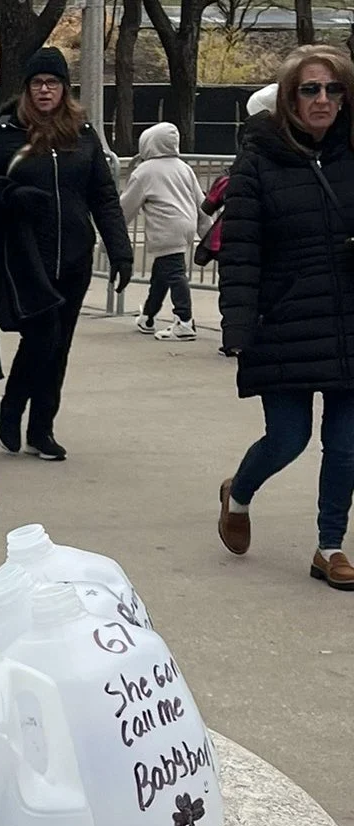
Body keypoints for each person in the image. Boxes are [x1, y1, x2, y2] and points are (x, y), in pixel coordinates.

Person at [218, 45, 354, 589]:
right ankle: (239, 493)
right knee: (289, 439)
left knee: (346, 446)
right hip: (284, 323)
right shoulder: (258, 159)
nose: (323, 99)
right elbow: (242, 248)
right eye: (310, 89)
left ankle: (330, 547)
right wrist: (238, 325)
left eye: (333, 89)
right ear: (289, 99)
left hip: (347, 321)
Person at [0, 48, 132, 462]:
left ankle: (42, 428)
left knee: (59, 344)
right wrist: (12, 195)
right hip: (25, 257)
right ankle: (11, 409)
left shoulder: (82, 135)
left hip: (74, 257)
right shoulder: (6, 134)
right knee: (41, 336)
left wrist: (119, 250)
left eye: (52, 83)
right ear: (27, 90)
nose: (45, 90)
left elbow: (103, 195)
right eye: (37, 83)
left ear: (65, 89)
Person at [121, 122, 205, 342]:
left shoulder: (145, 171)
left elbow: (126, 207)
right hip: (186, 224)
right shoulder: (183, 167)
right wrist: (208, 232)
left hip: (165, 226)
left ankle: (185, 320)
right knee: (162, 273)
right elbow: (201, 202)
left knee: (174, 272)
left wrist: (112, 237)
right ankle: (148, 316)